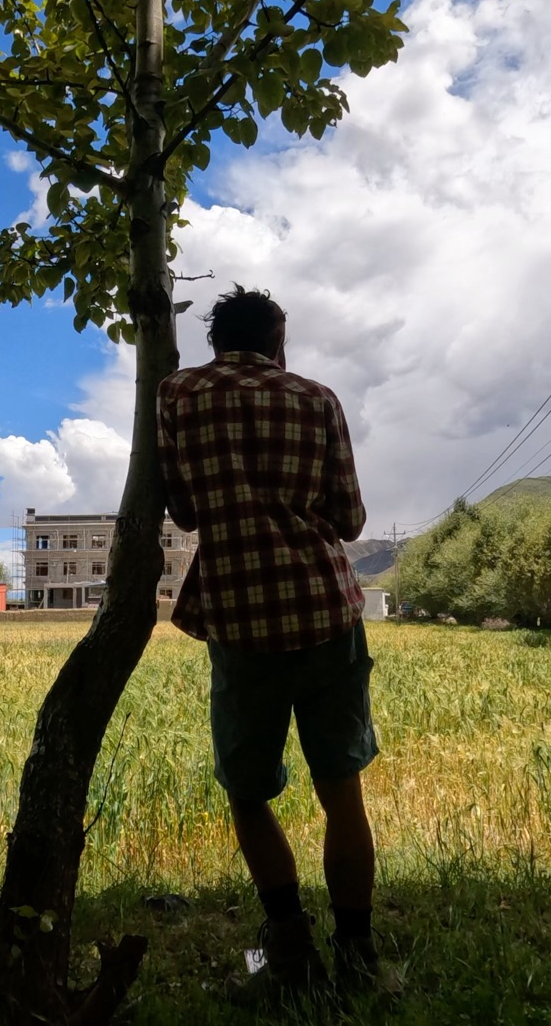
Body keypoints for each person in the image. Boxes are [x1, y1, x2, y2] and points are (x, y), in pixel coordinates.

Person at [157, 285, 392, 1004]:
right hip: (325, 609)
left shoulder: (176, 395)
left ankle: (290, 959)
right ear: (276, 339)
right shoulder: (316, 398)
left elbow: (186, 508)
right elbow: (349, 520)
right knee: (339, 789)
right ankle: (357, 958)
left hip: (240, 620)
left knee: (249, 792)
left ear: (216, 342)